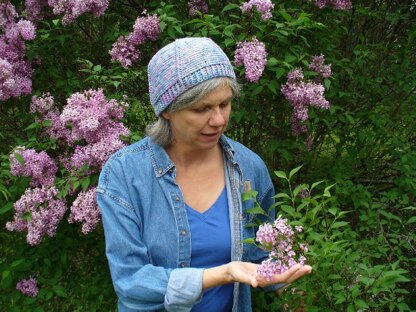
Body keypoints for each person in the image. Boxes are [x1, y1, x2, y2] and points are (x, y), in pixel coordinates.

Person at [96, 37, 312, 312]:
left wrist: (292, 285)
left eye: (224, 104)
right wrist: (223, 274)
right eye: (201, 109)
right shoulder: (125, 174)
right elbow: (131, 282)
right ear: (166, 110)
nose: (219, 120)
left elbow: (261, 257)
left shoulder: (248, 168)